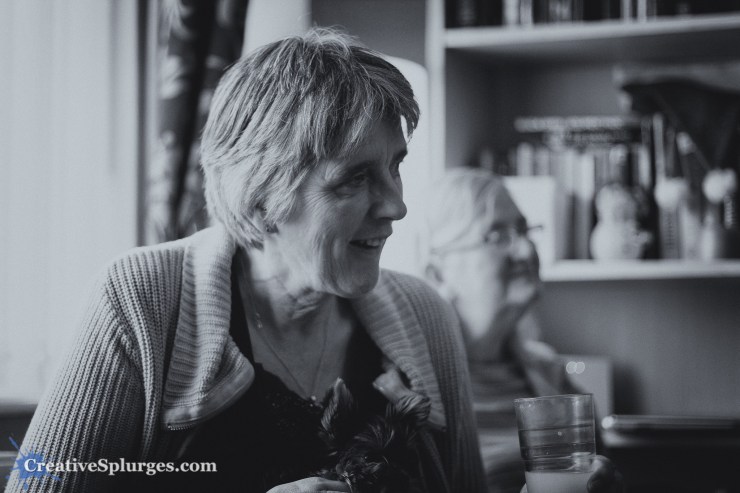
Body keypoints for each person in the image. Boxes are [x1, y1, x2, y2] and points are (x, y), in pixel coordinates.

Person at [6, 29, 485, 493]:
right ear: (261, 197)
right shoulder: (142, 297)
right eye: (353, 179)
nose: (396, 206)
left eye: (395, 166)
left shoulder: (424, 315)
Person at [425, 168, 619, 493]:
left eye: (524, 230)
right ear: (438, 274)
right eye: (497, 235)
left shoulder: (552, 378)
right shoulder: (416, 393)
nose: (527, 250)